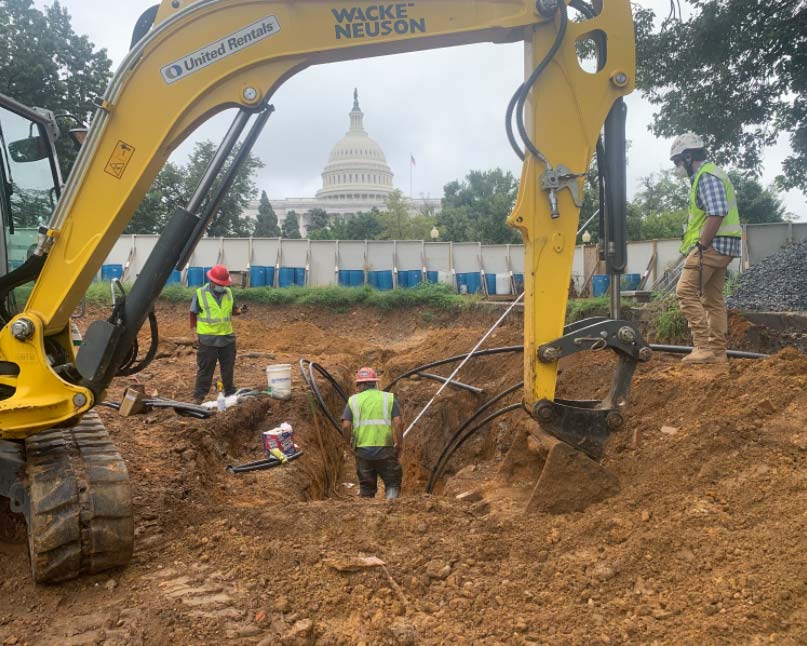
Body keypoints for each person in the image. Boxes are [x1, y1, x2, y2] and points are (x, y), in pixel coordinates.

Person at [670, 133, 742, 365]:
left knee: (685, 291)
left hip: (712, 245)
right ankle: (718, 353)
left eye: (677, 161)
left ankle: (703, 346)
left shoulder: (706, 176)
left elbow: (717, 212)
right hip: (724, 246)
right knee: (713, 299)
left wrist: (702, 245)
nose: (677, 167)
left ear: (689, 156)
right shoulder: (712, 174)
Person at [341, 367, 403, 499]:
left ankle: (366, 514)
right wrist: (399, 444)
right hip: (385, 448)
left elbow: (346, 426)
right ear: (374, 382)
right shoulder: (389, 398)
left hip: (362, 450)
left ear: (362, 384)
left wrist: (347, 444)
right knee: (392, 482)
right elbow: (398, 423)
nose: (357, 387)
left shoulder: (353, 400)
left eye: (358, 384)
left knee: (366, 487)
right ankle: (390, 508)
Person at [190, 264, 247, 403]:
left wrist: (240, 311)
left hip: (227, 337)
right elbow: (193, 314)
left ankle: (230, 392)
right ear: (212, 281)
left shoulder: (228, 293)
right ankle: (199, 396)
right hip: (207, 339)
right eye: (220, 284)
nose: (222, 286)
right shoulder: (200, 293)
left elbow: (232, 310)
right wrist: (194, 335)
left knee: (228, 367)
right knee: (205, 369)